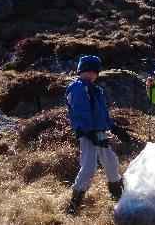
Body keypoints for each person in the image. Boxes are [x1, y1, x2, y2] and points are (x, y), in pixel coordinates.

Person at [65, 55, 133, 215]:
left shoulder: (95, 89)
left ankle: (117, 193)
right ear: (80, 71)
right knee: (89, 167)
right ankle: (74, 203)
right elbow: (80, 113)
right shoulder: (78, 88)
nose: (90, 74)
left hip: (100, 133)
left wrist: (115, 128)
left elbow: (102, 114)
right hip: (88, 134)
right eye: (86, 70)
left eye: (93, 71)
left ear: (97, 73)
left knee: (111, 162)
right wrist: (89, 133)